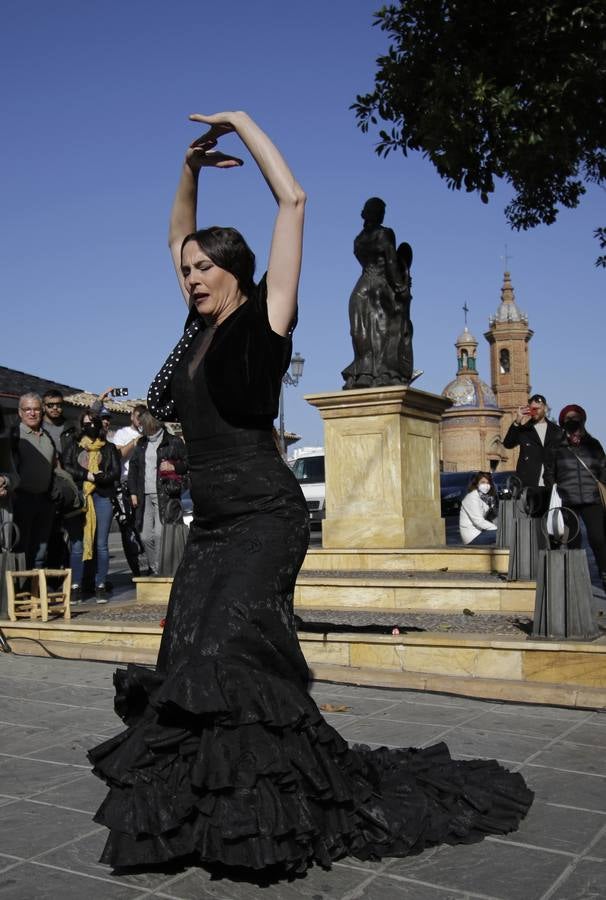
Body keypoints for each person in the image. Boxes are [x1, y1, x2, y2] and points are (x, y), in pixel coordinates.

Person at [89, 111, 532, 876]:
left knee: (230, 647)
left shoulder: (267, 317)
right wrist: (189, 167)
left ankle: (274, 805)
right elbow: (174, 235)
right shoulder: (190, 333)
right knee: (190, 653)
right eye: (187, 269)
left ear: (235, 271)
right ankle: (216, 805)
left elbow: (292, 200)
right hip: (214, 522)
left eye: (203, 268)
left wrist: (240, 124)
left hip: (265, 517)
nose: (191, 276)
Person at [544, 404, 606, 590]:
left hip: (592, 499)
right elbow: (549, 473)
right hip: (568, 500)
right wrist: (555, 487)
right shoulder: (557, 446)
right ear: (563, 422)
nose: (571, 421)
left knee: (599, 539)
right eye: (567, 418)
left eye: (575, 418)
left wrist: (600, 484)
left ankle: (604, 573)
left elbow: (603, 467)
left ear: (582, 420)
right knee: (573, 542)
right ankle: (577, 582)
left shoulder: (593, 444)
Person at [62, 410, 120, 602]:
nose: (91, 426)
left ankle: (101, 584)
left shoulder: (109, 447)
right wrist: (87, 475)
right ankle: (76, 586)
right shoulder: (74, 445)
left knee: (102, 545)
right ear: (81, 425)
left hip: (102, 496)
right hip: (80, 497)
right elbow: (66, 465)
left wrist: (100, 478)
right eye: (86, 423)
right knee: (77, 545)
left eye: (94, 422)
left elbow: (115, 472)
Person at [127, 409, 187, 575]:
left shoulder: (173, 441)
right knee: (145, 536)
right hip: (143, 494)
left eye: (143, 425)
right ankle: (154, 567)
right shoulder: (141, 443)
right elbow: (133, 468)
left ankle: (161, 571)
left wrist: (174, 466)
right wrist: (133, 492)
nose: (141, 428)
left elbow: (187, 463)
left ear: (150, 424)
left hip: (164, 493)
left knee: (161, 535)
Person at [11, 392, 57, 568]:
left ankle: (37, 591)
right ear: (20, 412)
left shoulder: (47, 437)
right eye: (27, 409)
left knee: (41, 552)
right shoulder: (15, 436)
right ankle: (21, 592)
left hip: (45, 500)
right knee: (22, 550)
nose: (32, 413)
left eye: (36, 409)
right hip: (22, 500)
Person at [502, 394, 562, 493]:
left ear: (545, 408)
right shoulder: (524, 430)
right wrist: (517, 421)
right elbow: (508, 444)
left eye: (537, 408)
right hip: (529, 483)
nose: (535, 412)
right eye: (532, 409)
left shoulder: (556, 431)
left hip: (552, 483)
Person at [459, 472, 498, 545]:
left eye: (487, 483)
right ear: (476, 484)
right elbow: (479, 521)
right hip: (472, 536)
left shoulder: (486, 498)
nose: (486, 485)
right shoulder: (472, 497)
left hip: (480, 532)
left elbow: (491, 516)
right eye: (482, 482)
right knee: (502, 535)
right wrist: (497, 529)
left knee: (505, 534)